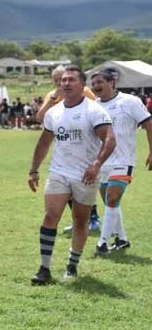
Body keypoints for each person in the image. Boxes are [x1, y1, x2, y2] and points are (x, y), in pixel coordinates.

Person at [29, 67, 115, 284]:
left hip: (86, 174)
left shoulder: (94, 110)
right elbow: (44, 142)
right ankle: (44, 268)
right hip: (59, 172)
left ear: (82, 84)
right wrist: (33, 170)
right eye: (63, 80)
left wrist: (96, 164)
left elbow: (110, 140)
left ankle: (72, 265)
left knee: (80, 221)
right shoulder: (54, 113)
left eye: (71, 80)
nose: (65, 84)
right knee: (50, 216)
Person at [88, 68, 152, 255]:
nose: (96, 86)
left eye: (99, 82)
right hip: (101, 162)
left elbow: (149, 124)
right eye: (93, 83)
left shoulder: (130, 101)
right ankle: (122, 239)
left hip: (123, 159)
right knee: (110, 203)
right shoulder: (93, 106)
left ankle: (102, 243)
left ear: (112, 83)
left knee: (113, 198)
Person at [36, 66, 101, 232]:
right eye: (57, 80)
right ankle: (77, 220)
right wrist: (52, 100)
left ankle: (92, 218)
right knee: (66, 185)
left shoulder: (83, 91)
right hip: (64, 147)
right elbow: (39, 118)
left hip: (85, 147)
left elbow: (97, 110)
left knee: (83, 183)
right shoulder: (52, 95)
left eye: (63, 79)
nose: (61, 83)